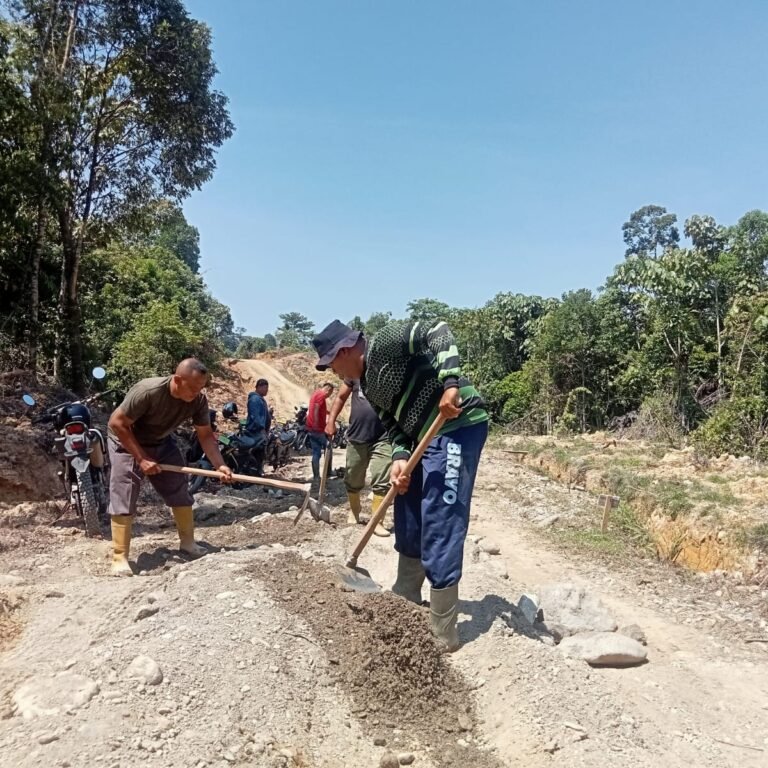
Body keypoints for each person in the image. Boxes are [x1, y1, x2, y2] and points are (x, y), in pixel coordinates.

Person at [312, 319, 488, 652]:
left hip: (457, 425)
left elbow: (437, 330)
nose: (332, 372)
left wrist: (450, 383)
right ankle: (407, 594)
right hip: (423, 435)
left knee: (441, 515)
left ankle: (442, 629)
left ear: (345, 350)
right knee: (407, 508)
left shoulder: (386, 343)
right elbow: (394, 426)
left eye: (331, 363)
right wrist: (398, 457)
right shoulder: (365, 384)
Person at [107, 358, 233, 577]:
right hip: (126, 441)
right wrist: (142, 458)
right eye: (193, 388)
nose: (197, 393)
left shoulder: (198, 401)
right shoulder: (148, 391)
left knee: (179, 489)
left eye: (200, 388)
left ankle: (188, 544)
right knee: (124, 492)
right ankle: (119, 557)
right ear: (177, 380)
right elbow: (116, 423)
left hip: (162, 442)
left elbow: (205, 435)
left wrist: (220, 465)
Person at [326, 379, 391, 538]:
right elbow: (341, 397)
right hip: (357, 436)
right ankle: (355, 510)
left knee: (382, 478)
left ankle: (377, 522)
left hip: (384, 436)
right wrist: (331, 421)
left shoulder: (391, 372)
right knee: (353, 477)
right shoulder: (354, 374)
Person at [305, 382, 334, 479]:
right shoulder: (321, 396)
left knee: (316, 452)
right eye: (330, 393)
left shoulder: (315, 394)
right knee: (328, 447)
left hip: (311, 428)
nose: (329, 395)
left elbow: (318, 408)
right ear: (328, 390)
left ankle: (316, 476)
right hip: (317, 429)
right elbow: (316, 409)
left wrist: (328, 412)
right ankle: (328, 472)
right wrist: (316, 424)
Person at [245, 378, 271, 475]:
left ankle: (256, 470)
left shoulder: (260, 399)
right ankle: (255, 472)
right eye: (265, 388)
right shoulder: (255, 400)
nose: (266, 391)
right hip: (255, 431)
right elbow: (255, 416)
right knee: (257, 452)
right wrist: (261, 428)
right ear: (259, 387)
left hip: (259, 430)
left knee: (260, 452)